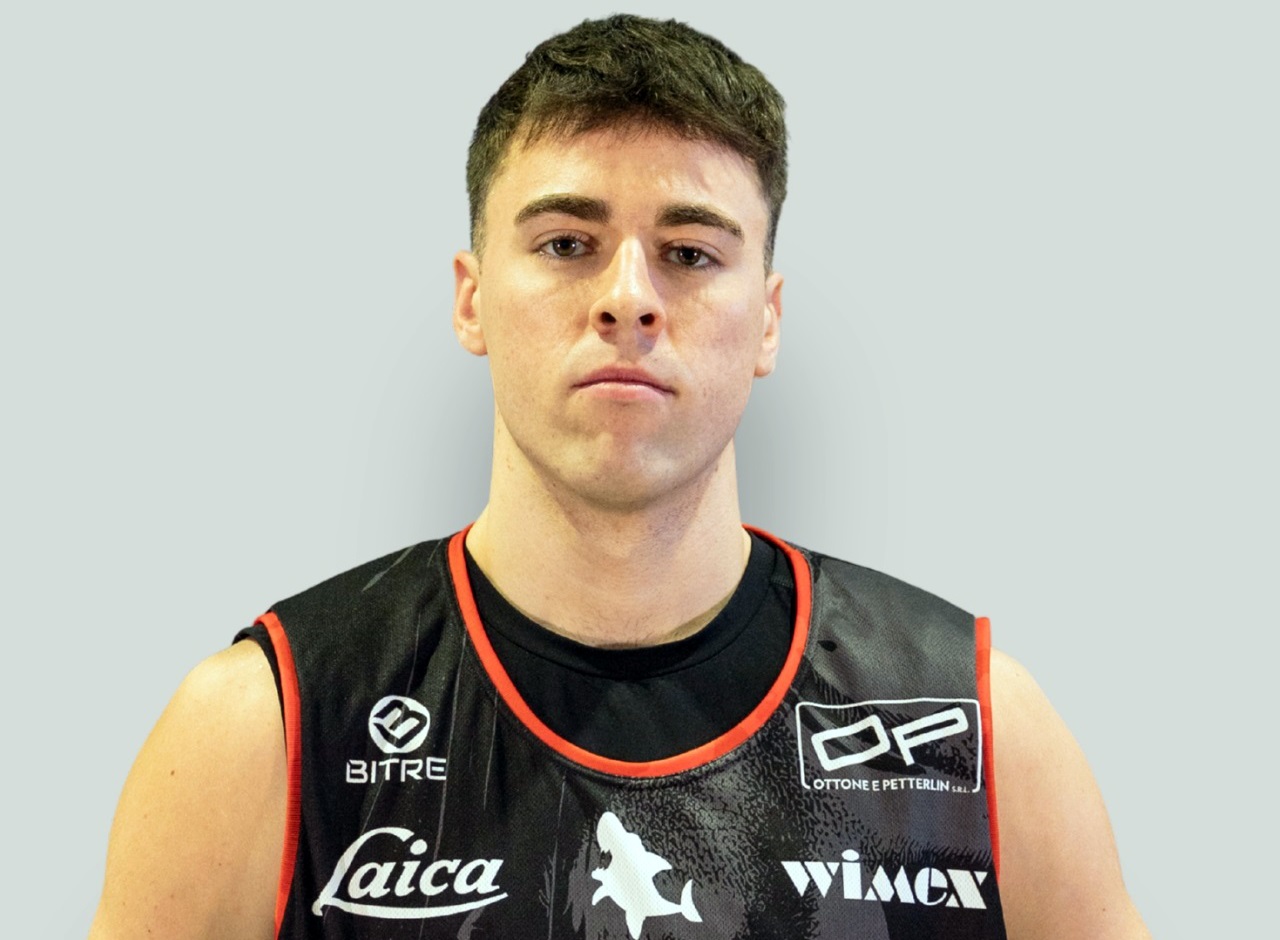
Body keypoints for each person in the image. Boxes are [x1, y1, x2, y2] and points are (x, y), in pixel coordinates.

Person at [89, 14, 1149, 940]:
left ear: (767, 319)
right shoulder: (267, 729)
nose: (627, 297)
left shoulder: (975, 728)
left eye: (689, 252)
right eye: (566, 243)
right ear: (470, 300)